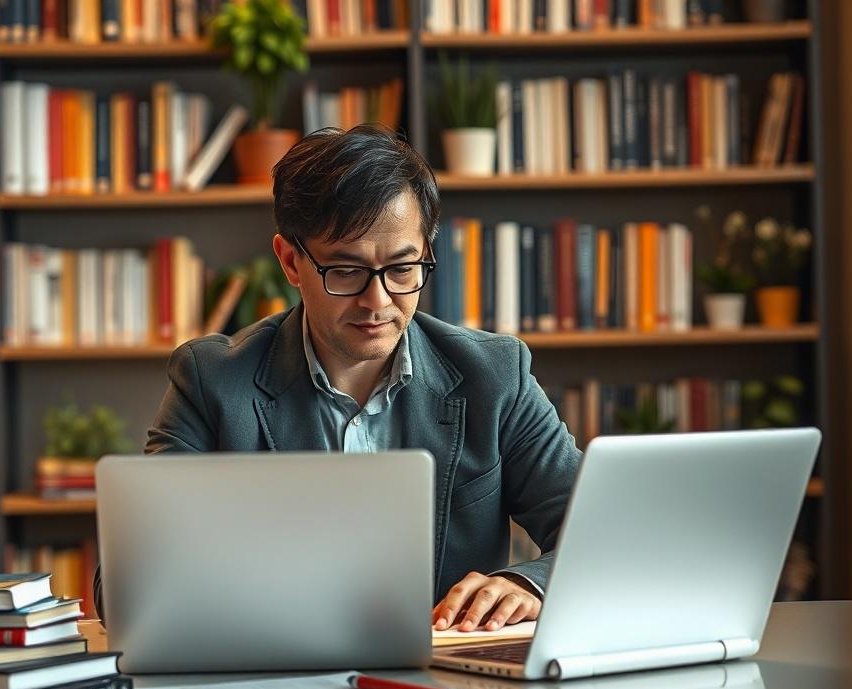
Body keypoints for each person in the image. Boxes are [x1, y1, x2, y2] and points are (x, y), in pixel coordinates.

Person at [94, 124, 580, 632]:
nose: (379, 302)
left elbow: (598, 533)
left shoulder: (495, 376)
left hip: (449, 685)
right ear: (290, 261)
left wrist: (530, 585)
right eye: (346, 271)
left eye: (402, 268)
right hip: (278, 684)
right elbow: (126, 586)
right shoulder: (212, 381)